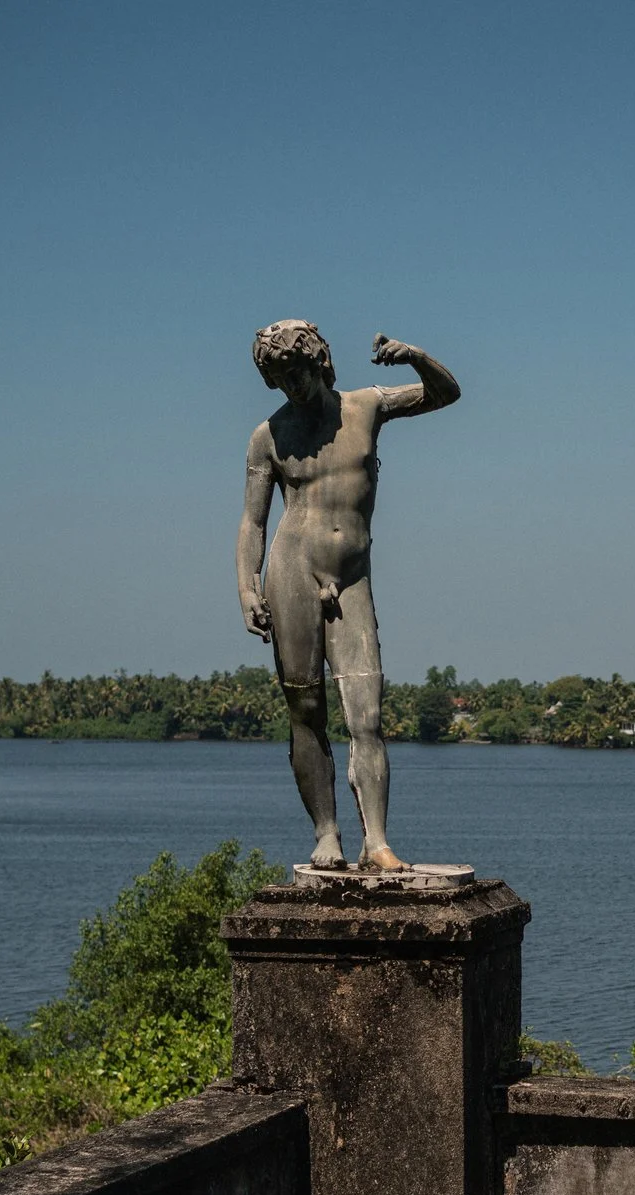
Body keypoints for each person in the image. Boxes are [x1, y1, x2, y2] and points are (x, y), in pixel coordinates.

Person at [236, 320, 460, 871]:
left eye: (298, 373)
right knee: (306, 708)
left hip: (352, 575)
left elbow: (445, 393)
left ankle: (376, 840)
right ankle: (327, 832)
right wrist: (246, 586)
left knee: (366, 712)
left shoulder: (366, 406)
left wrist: (415, 354)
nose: (292, 386)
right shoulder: (268, 436)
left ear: (320, 362)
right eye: (280, 379)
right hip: (291, 572)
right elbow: (252, 522)